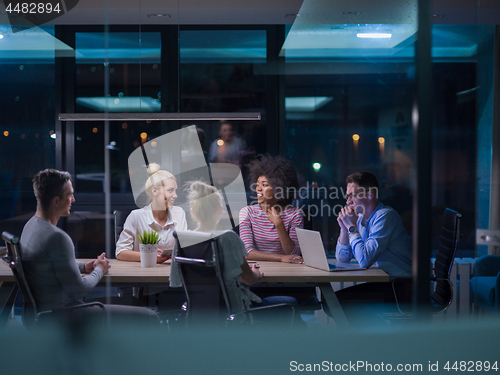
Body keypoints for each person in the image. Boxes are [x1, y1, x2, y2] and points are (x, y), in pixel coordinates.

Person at [20, 169, 160, 326]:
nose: (73, 199)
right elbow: (79, 289)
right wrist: (99, 269)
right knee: (149, 317)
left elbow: (51, 266)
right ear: (56, 201)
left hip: (42, 315)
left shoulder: (30, 227)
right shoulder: (57, 238)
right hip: (67, 316)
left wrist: (84, 266)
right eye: (70, 195)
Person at [170, 181, 304, 325]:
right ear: (220, 211)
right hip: (236, 311)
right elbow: (249, 280)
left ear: (192, 212)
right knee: (291, 303)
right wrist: (255, 273)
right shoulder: (227, 238)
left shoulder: (182, 239)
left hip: (198, 314)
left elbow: (176, 280)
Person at [331, 172, 412, 325]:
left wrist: (351, 227)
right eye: (347, 196)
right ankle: (365, 342)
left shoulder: (385, 217)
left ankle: (363, 344)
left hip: (401, 288)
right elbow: (342, 258)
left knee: (336, 304)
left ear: (370, 194)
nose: (348, 201)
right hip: (387, 283)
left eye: (352, 195)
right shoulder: (360, 218)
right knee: (332, 302)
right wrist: (344, 229)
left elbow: (364, 260)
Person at [116, 163, 188, 262]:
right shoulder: (136, 216)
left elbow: (184, 249)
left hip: (171, 271)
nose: (175, 195)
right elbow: (120, 252)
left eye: (175, 191)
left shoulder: (179, 213)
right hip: (145, 273)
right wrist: (151, 257)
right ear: (154, 191)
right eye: (170, 190)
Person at [239, 155, 304, 263]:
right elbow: (246, 252)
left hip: (287, 271)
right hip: (257, 270)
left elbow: (293, 253)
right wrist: (280, 258)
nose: (258, 188)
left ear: (279, 188)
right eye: (257, 184)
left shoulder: (295, 214)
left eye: (264, 185)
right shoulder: (247, 213)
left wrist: (278, 223)